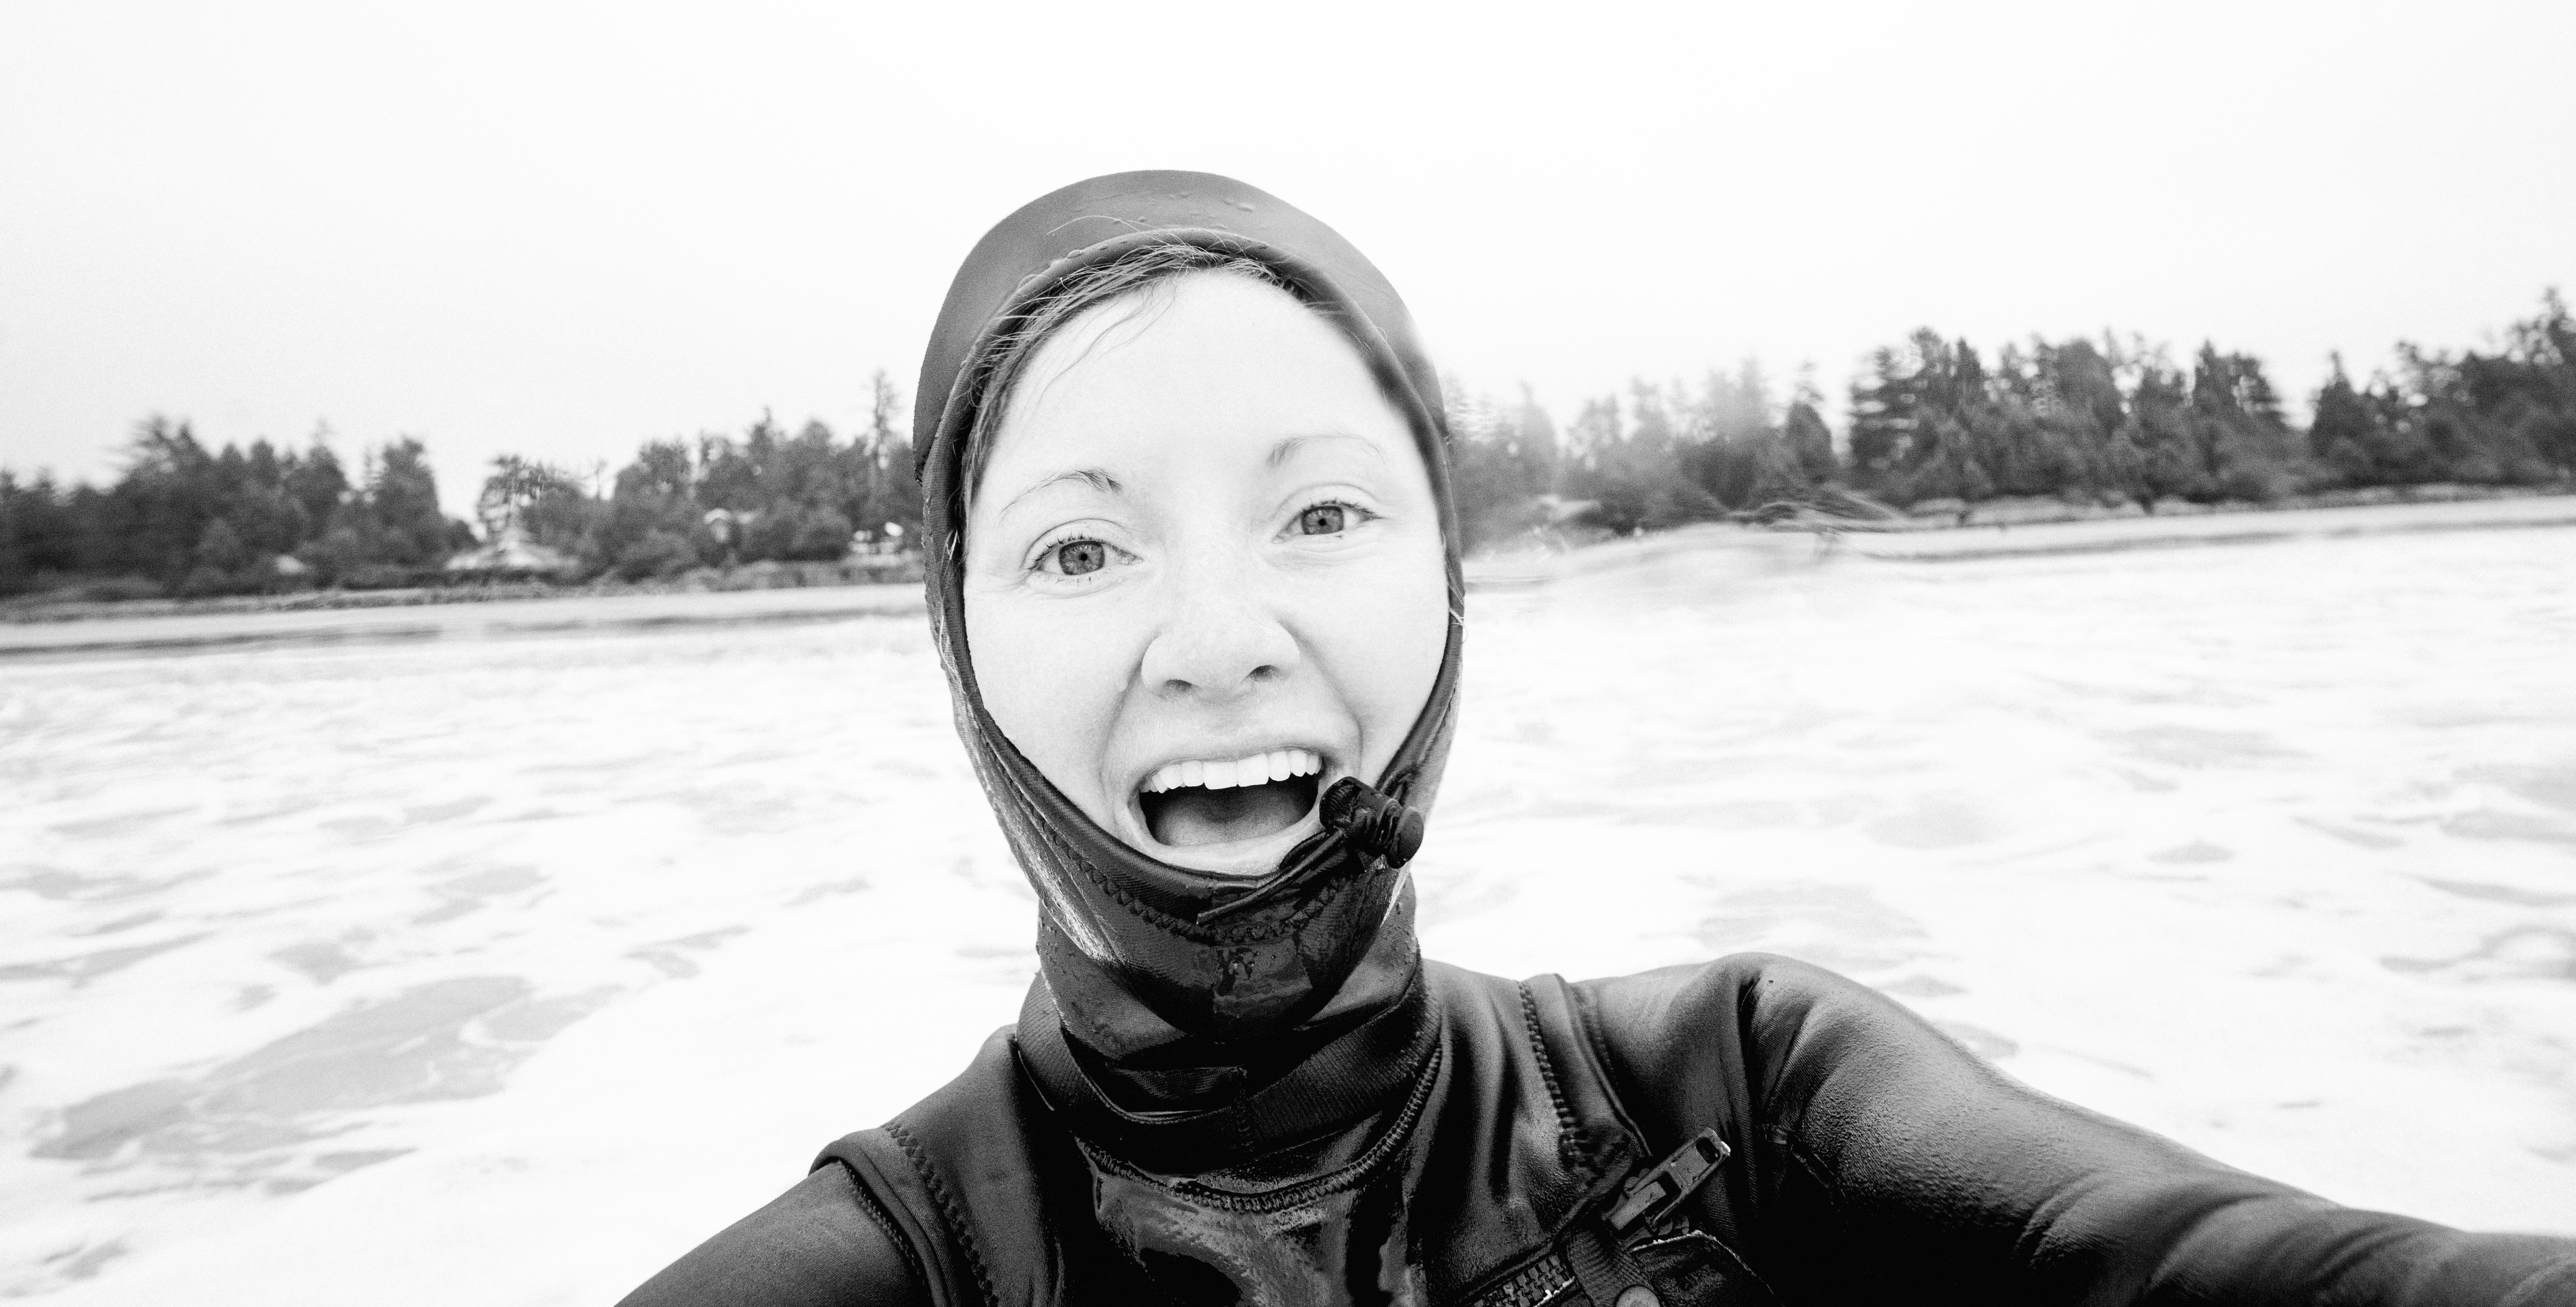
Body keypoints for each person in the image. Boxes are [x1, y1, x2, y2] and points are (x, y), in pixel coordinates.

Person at [621, 173, 2576, 1307]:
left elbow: (2209, 1263)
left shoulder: (1744, 1095)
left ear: (1449, 585)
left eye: (1322, 512)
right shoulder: (898, 1269)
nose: (1218, 643)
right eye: (1079, 545)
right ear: (955, 638)